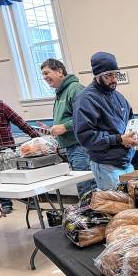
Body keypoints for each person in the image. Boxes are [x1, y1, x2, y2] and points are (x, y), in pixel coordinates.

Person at [73, 52, 138, 190]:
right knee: (116, 208)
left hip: (126, 162)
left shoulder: (118, 97)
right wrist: (119, 139)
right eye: (108, 76)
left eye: (115, 75)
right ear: (97, 75)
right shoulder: (86, 99)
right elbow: (86, 137)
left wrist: (134, 135)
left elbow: (130, 120)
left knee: (133, 206)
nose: (114, 79)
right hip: (106, 166)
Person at [0, 83, 40, 214]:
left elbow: (19, 122)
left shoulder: (0, 106)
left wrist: (37, 137)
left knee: (14, 177)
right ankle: (6, 204)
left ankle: (30, 201)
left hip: (5, 149)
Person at [40, 58, 95, 196]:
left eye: (47, 73)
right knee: (83, 186)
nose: (44, 77)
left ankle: (91, 216)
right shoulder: (60, 93)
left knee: (86, 187)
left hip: (80, 147)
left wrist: (65, 126)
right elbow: (69, 118)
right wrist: (52, 128)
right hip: (72, 147)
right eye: (43, 75)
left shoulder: (75, 89)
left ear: (59, 72)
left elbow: (88, 116)